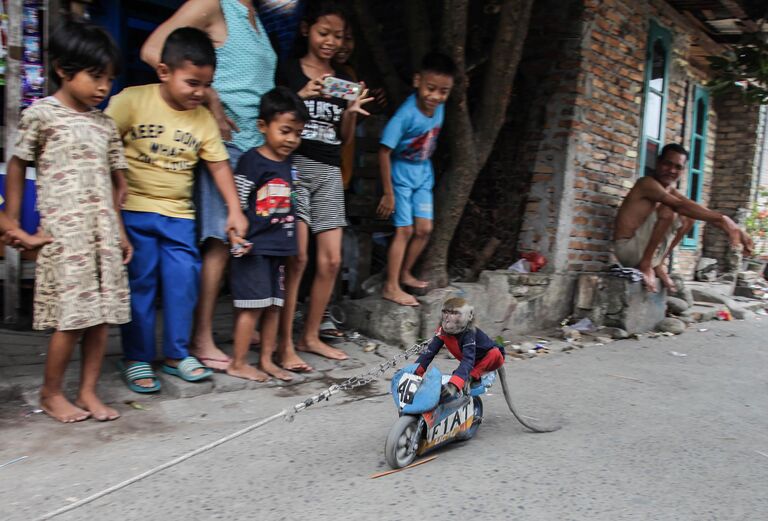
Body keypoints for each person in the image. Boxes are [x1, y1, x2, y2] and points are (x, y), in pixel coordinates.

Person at [106, 27, 248, 393]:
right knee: (141, 285)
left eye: (206, 85)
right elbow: (103, 144)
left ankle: (175, 354)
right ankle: (137, 357)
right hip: (134, 212)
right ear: (164, 72)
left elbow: (219, 166)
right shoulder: (130, 101)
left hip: (179, 216)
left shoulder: (202, 118)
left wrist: (234, 210)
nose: (200, 93)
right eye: (192, 83)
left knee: (184, 282)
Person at [4, 19, 131, 422]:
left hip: (102, 235)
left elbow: (119, 185)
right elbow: (17, 163)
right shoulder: (41, 115)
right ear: (62, 68)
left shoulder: (105, 124)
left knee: (100, 320)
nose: (103, 87)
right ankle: (51, 392)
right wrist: (13, 222)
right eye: (95, 76)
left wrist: (120, 232)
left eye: (109, 79)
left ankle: (89, 392)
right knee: (71, 319)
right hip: (64, 236)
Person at [140, 0, 277, 371]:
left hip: (255, 149)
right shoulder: (213, 4)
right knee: (219, 239)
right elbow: (153, 50)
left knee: (250, 239)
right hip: (225, 143)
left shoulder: (257, 20)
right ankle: (200, 337)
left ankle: (247, 331)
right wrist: (210, 97)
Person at [277, 0, 372, 365]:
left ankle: (309, 336)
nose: (331, 41)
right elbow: (277, 117)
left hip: (330, 170)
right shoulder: (289, 70)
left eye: (339, 36)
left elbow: (345, 138)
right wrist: (302, 95)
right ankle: (284, 344)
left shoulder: (345, 80)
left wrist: (349, 113)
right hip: (297, 167)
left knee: (330, 261)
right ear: (306, 30)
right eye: (324, 33)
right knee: (297, 259)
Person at [227, 86, 309, 381]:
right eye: (285, 130)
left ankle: (266, 360)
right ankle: (237, 362)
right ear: (263, 126)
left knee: (275, 306)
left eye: (297, 133)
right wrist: (235, 235)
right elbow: (237, 200)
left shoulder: (289, 164)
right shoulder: (252, 160)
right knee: (252, 307)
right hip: (255, 247)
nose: (291, 139)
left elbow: (294, 200)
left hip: (280, 248)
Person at [614, 143, 753, 292]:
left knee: (688, 217)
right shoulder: (646, 183)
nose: (672, 170)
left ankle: (658, 263)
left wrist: (733, 226)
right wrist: (722, 219)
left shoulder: (670, 190)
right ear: (658, 162)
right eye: (667, 164)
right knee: (671, 210)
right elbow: (679, 206)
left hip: (641, 250)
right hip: (627, 249)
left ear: (682, 170)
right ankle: (646, 265)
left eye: (678, 167)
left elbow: (696, 209)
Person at [376, 52, 455, 307]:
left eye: (443, 91)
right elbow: (384, 151)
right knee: (405, 230)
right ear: (417, 81)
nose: (435, 97)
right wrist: (388, 193)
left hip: (423, 172)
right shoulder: (405, 115)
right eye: (430, 88)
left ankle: (404, 273)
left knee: (424, 230)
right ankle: (391, 286)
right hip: (401, 173)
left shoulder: (440, 109)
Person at [413, 297, 505, 400]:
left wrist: (455, 384)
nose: (448, 318)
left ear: (469, 316)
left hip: (490, 359)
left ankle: (471, 376)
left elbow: (468, 360)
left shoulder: (468, 333)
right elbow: (428, 353)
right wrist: (413, 373)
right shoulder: (442, 331)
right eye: (445, 312)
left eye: (454, 313)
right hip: (472, 361)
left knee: (495, 353)